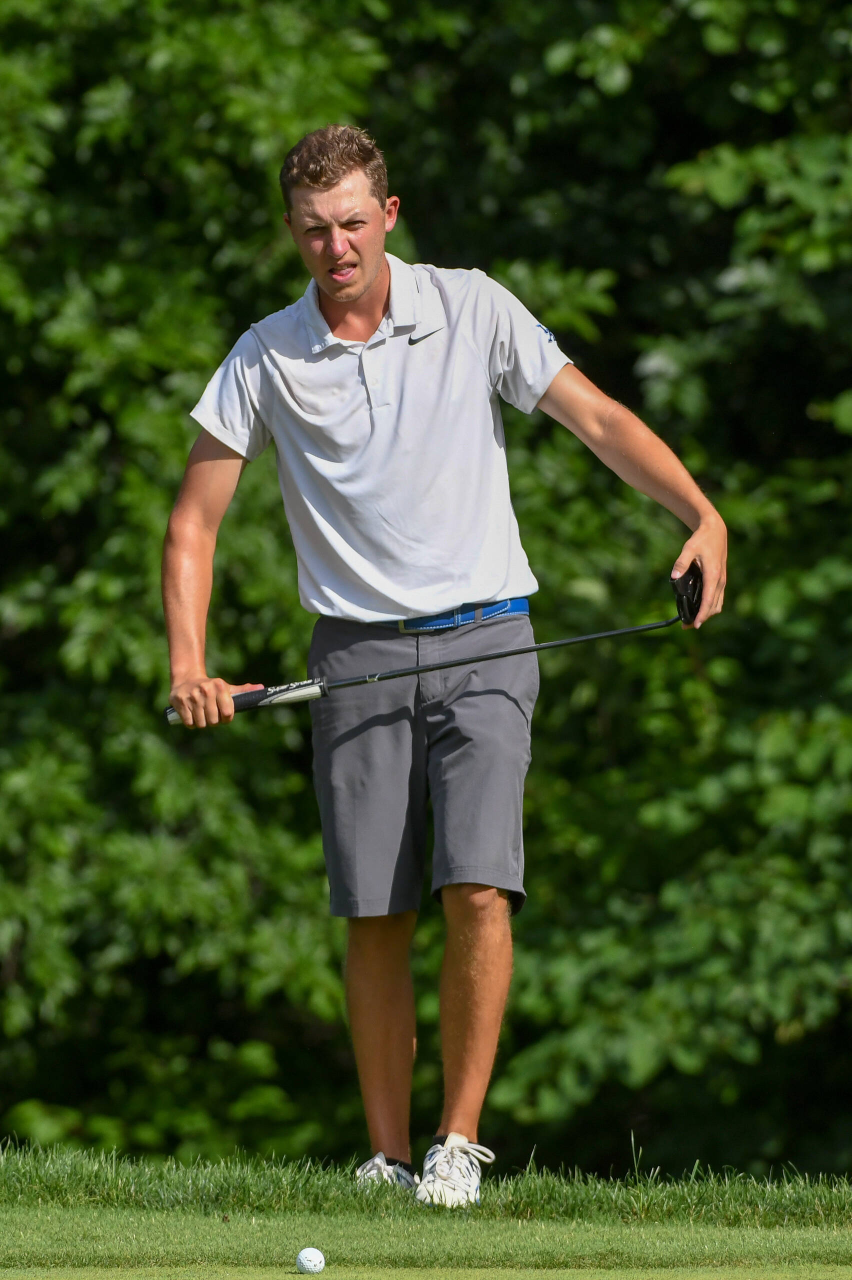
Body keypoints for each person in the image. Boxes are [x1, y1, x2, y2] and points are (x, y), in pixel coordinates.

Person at [162, 125, 727, 1206]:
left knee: (478, 883)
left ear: (391, 214)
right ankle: (382, 1155)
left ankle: (455, 1143)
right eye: (316, 230)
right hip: (356, 653)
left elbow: (597, 417)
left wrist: (700, 512)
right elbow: (196, 521)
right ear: (293, 231)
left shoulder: (472, 306)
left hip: (487, 638)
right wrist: (190, 657)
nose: (337, 247)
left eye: (355, 224)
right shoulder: (265, 352)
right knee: (375, 908)